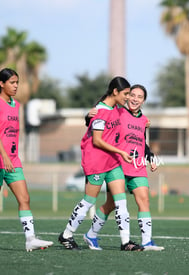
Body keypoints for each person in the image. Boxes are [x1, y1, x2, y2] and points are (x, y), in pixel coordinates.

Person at [58, 76, 143, 251]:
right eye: (126, 94)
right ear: (115, 92)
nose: (128, 97)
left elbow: (133, 118)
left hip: (112, 162)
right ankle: (66, 235)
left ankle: (125, 242)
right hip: (96, 162)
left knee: (121, 202)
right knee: (89, 201)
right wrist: (120, 151)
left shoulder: (118, 109)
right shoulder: (100, 110)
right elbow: (96, 141)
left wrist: (145, 122)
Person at [0, 68, 53, 252]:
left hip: (12, 160)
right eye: (12, 82)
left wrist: (11, 157)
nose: (16, 85)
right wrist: (4, 157)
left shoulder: (16, 105)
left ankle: (30, 239)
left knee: (24, 198)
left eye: (17, 82)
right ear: (1, 84)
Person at [83, 84, 164, 251]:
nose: (134, 99)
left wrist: (150, 158)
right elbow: (96, 122)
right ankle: (91, 234)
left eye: (139, 97)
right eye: (132, 95)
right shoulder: (117, 112)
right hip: (117, 166)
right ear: (127, 96)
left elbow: (143, 143)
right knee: (110, 205)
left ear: (143, 101)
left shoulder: (143, 120)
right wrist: (87, 116)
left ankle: (147, 242)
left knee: (144, 200)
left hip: (137, 167)